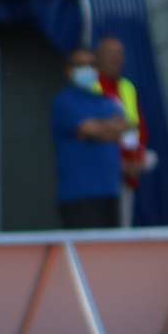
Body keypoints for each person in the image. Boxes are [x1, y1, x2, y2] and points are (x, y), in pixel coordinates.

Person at [50, 47, 128, 231]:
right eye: (81, 65)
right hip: (79, 195)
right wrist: (105, 129)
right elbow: (90, 129)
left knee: (111, 247)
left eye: (91, 65)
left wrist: (99, 129)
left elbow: (124, 125)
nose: (87, 69)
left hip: (110, 191)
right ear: (69, 70)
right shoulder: (64, 101)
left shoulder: (104, 100)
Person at [91, 35, 149, 228]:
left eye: (120, 53)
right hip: (101, 172)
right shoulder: (91, 87)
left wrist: (137, 157)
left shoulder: (128, 87)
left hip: (128, 171)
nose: (116, 57)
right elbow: (93, 132)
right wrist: (117, 160)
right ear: (99, 57)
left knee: (124, 226)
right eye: (111, 53)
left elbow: (139, 128)